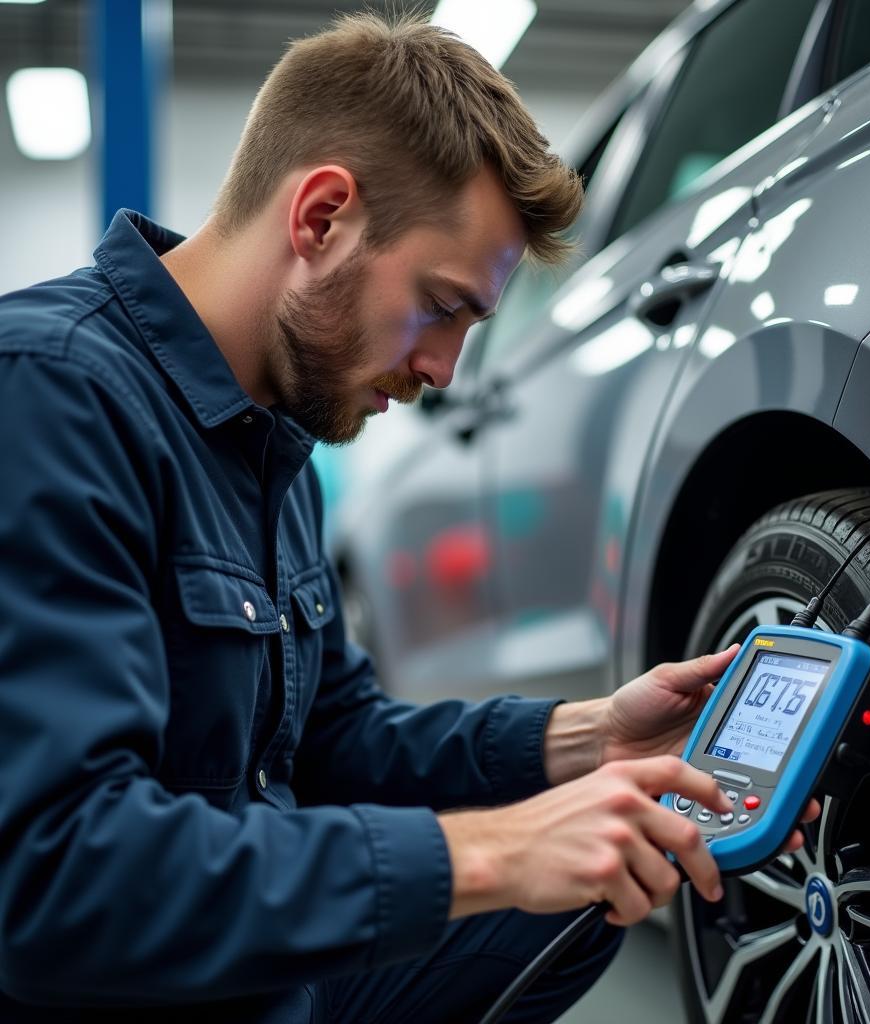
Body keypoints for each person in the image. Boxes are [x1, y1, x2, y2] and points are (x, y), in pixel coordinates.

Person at [0, 13, 816, 1023]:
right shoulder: (50, 393)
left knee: (579, 896)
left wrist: (588, 737)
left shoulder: (274, 437)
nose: (443, 373)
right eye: (440, 307)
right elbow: (55, 875)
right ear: (322, 217)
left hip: (242, 963)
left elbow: (340, 737)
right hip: (105, 983)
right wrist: (494, 849)